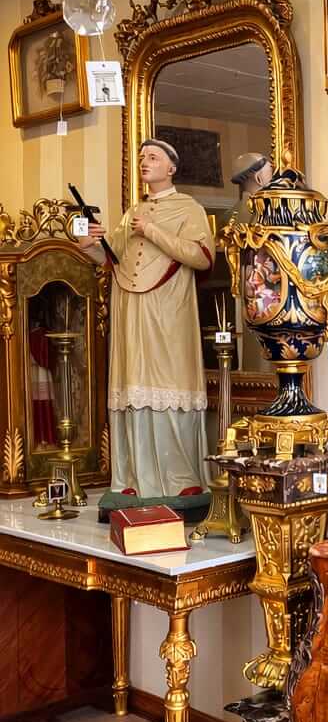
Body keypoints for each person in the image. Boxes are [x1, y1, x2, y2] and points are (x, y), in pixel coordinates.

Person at [79, 139, 213, 500]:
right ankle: (134, 477)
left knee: (169, 379)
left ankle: (180, 476)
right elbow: (112, 258)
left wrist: (152, 230)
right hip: (131, 307)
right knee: (134, 380)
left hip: (168, 310)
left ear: (171, 168)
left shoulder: (190, 208)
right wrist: (90, 244)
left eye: (153, 157)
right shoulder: (132, 212)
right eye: (141, 157)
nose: (144, 162)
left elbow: (202, 257)